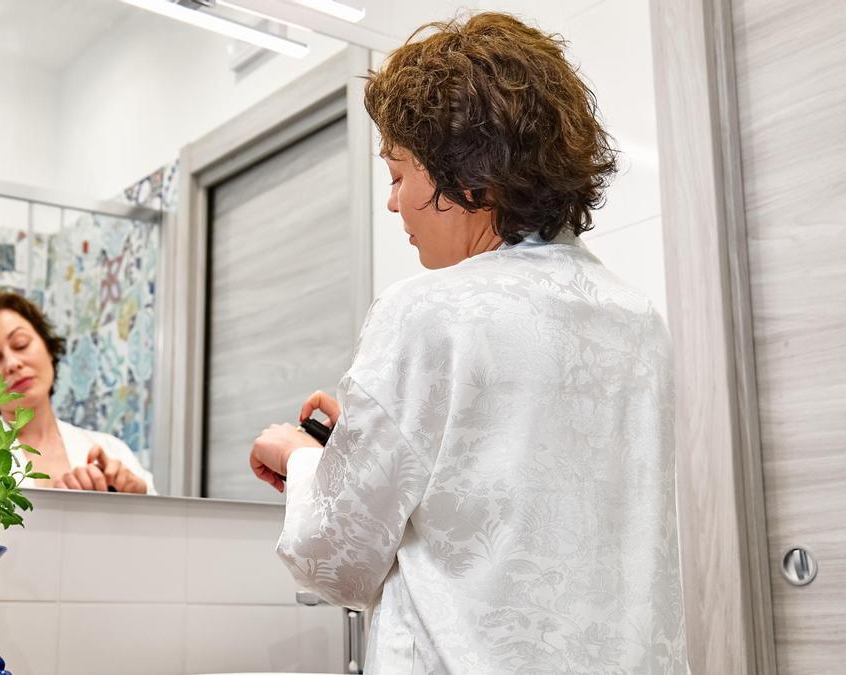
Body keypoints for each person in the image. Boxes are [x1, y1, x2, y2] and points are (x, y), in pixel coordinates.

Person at [248, 13, 687, 673]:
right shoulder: (639, 319)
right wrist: (363, 446)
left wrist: (304, 458)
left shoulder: (424, 312)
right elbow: (504, 492)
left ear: (473, 179)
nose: (394, 204)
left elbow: (332, 558)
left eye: (399, 173)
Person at [0, 292, 154, 494]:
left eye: (21, 344)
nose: (12, 364)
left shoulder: (112, 451)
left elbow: (164, 524)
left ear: (48, 348)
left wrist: (137, 498)